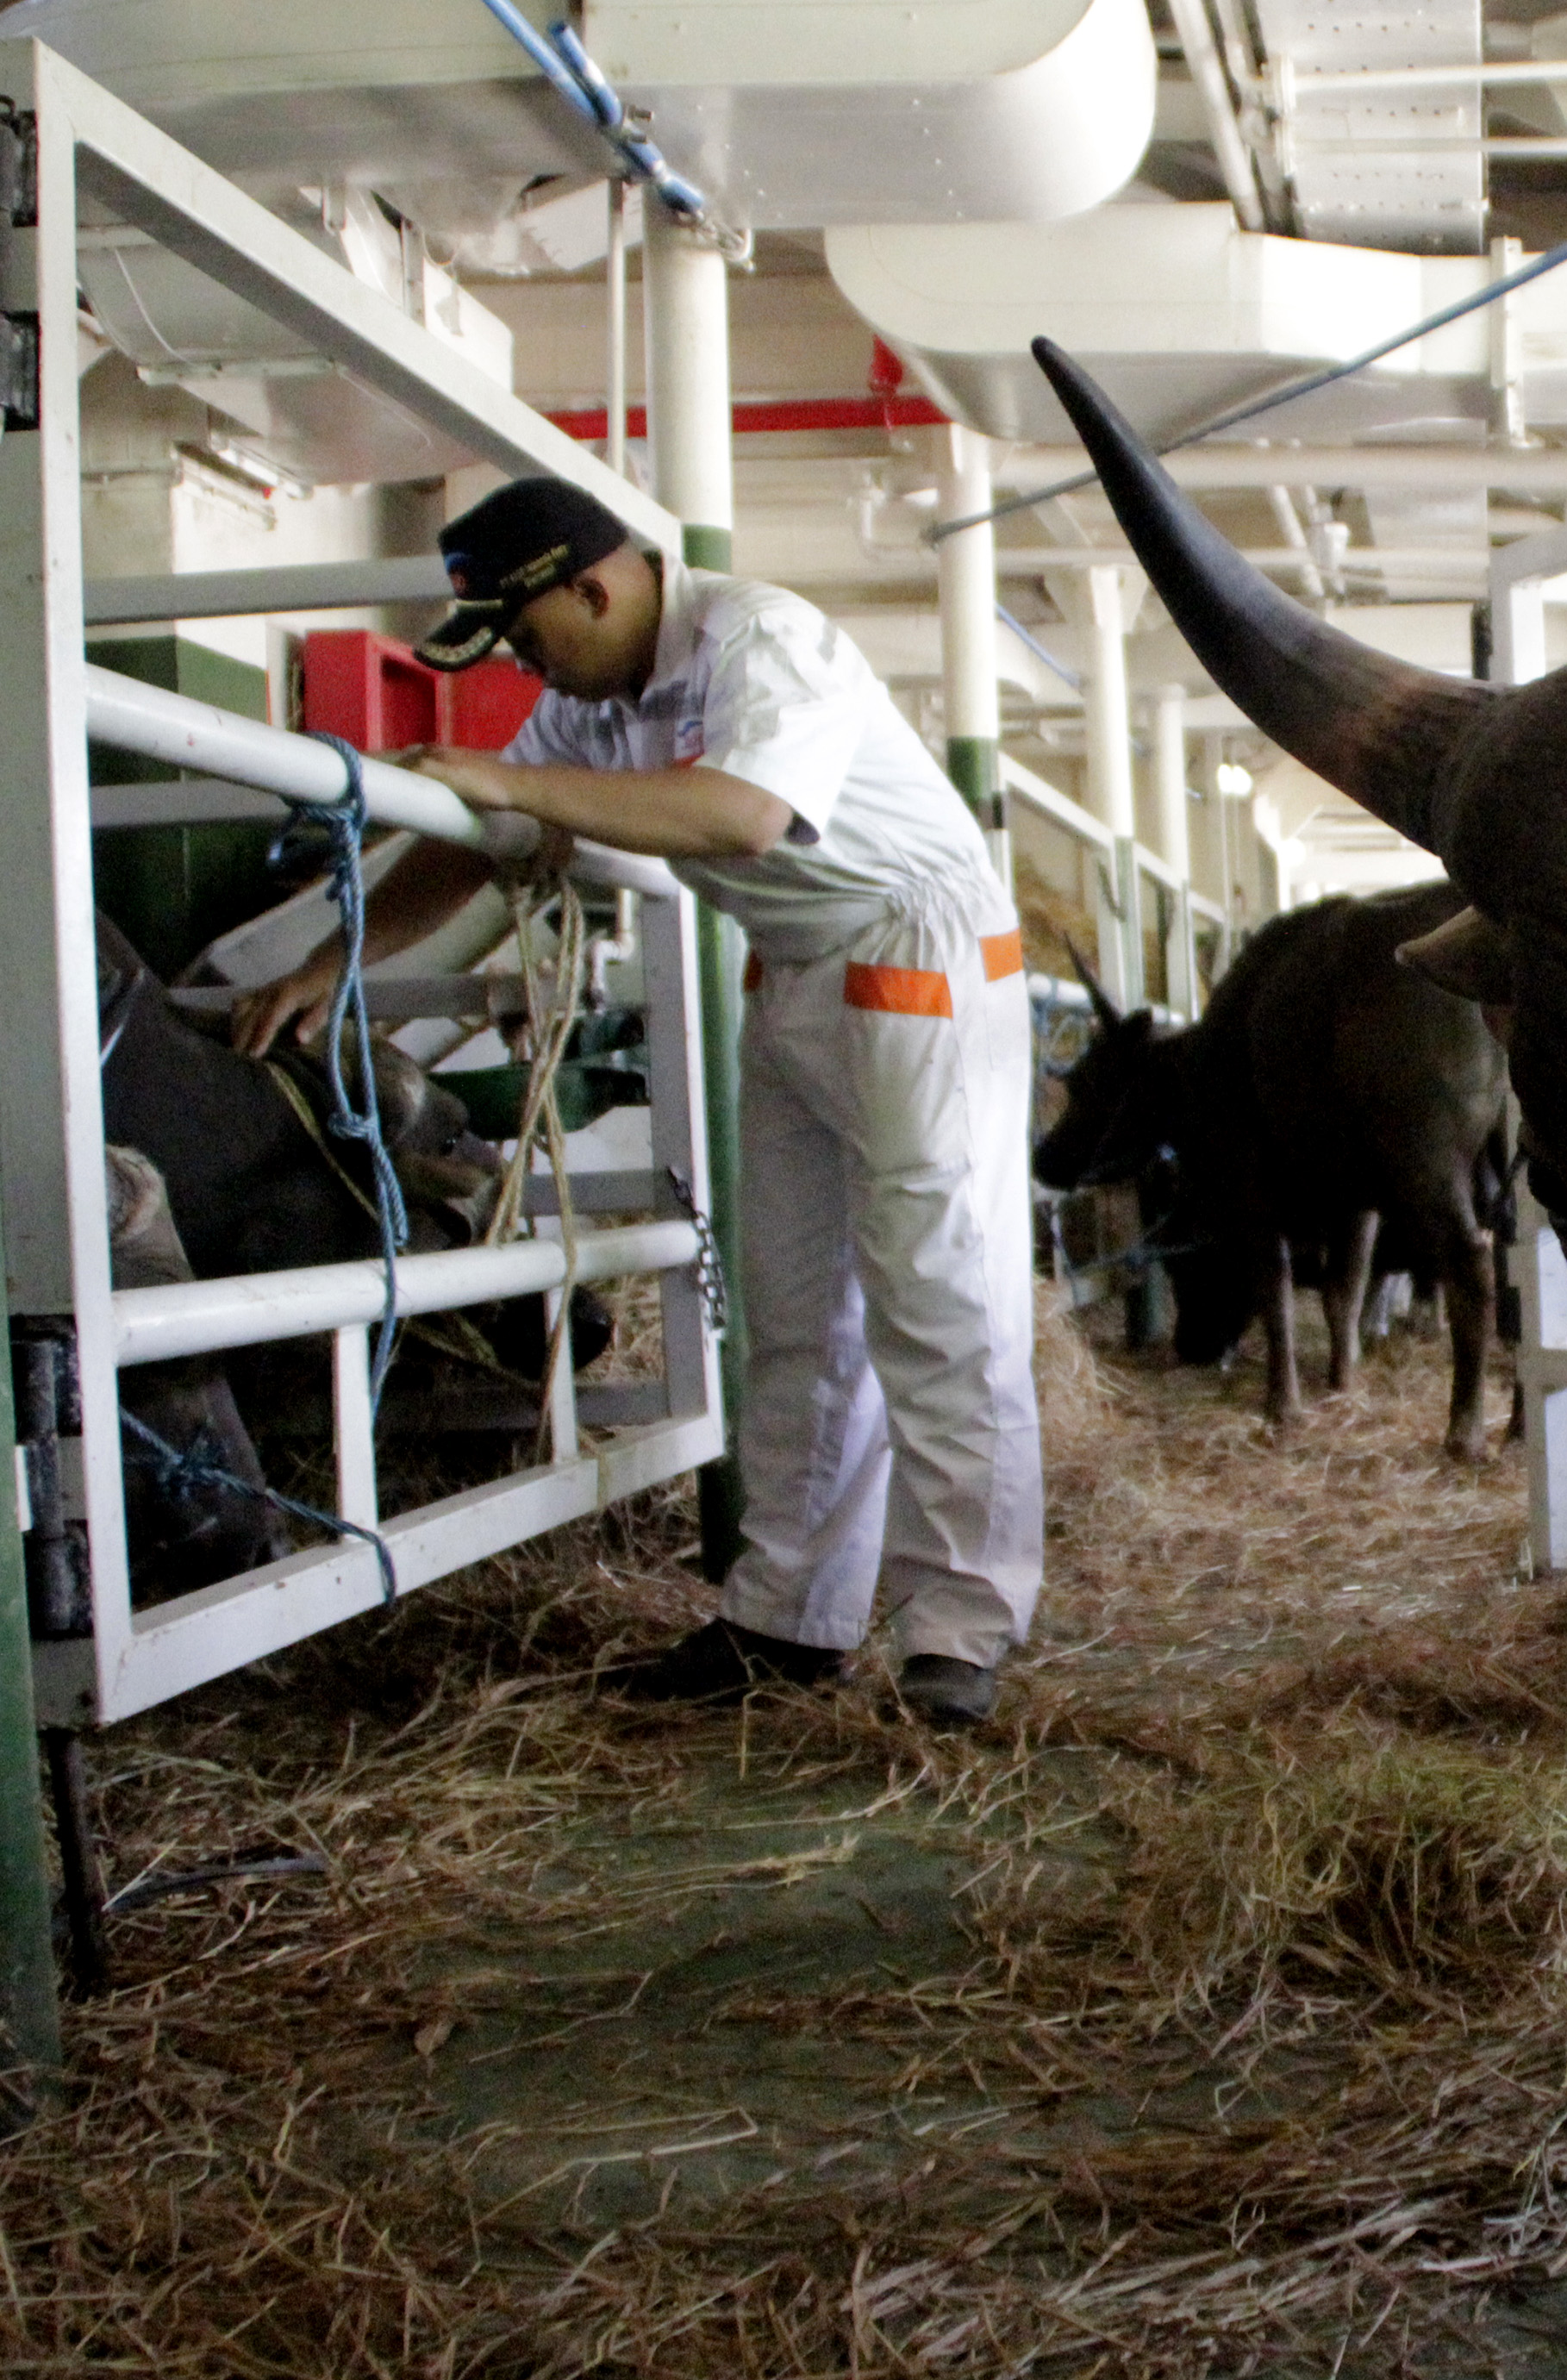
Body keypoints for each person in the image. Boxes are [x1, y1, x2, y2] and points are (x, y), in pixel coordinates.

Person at [233, 478, 1043, 1728]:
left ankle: (959, 1636)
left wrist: (519, 790)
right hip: (798, 971)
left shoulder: (758, 637)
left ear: (594, 589)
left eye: (527, 632)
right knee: (797, 1311)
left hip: (916, 953)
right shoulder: (593, 698)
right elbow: (473, 839)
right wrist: (333, 961)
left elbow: (743, 811)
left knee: (940, 1296)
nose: (524, 664)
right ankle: (790, 1618)